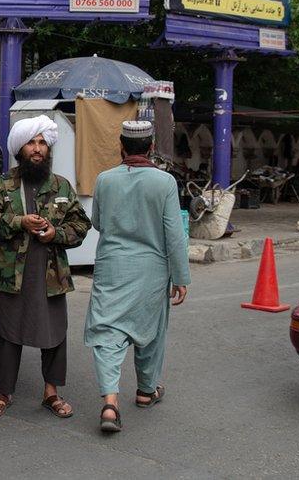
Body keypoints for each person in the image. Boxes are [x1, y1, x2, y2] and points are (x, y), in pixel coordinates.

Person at [0, 115, 90, 419]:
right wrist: (19, 222)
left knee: (54, 332)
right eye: (31, 142)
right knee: (8, 333)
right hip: (10, 275)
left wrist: (57, 233)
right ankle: (3, 392)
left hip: (50, 274)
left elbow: (81, 224)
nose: (37, 148)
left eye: (42, 142)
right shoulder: (4, 185)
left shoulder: (61, 186)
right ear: (20, 149)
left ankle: (51, 393)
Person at [84, 121, 190, 433]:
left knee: (108, 333)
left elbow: (98, 223)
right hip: (152, 270)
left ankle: (110, 403)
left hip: (111, 267)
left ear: (121, 146)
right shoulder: (165, 182)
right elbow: (174, 234)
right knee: (150, 329)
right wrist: (181, 276)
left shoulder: (104, 180)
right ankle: (146, 391)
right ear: (151, 147)